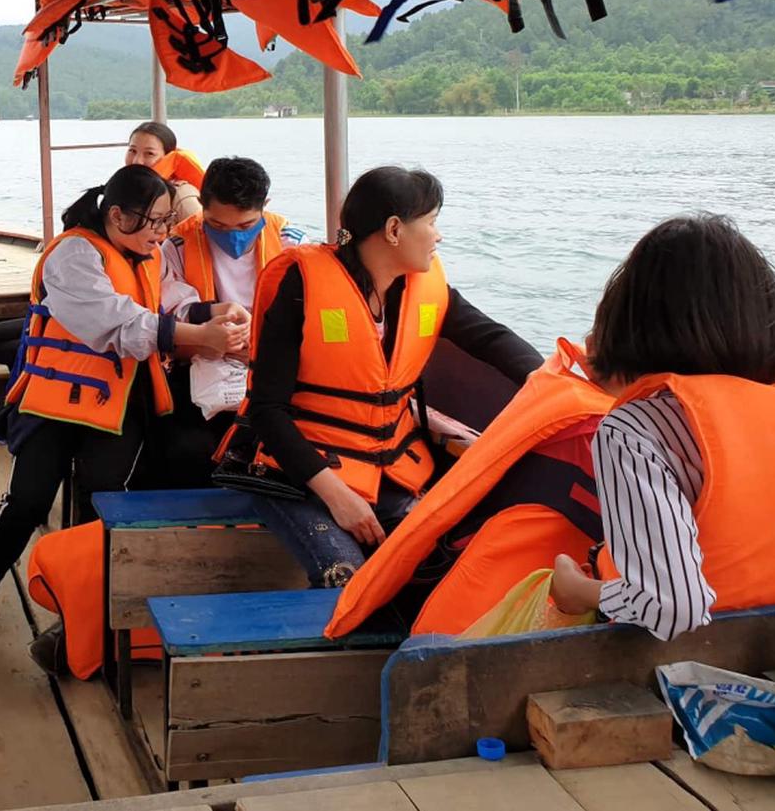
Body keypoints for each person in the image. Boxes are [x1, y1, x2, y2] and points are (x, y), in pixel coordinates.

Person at [0, 165, 249, 650]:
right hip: (55, 402)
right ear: (118, 215)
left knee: (100, 507)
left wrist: (212, 312)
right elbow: (115, 322)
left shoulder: (149, 255)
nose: (162, 232)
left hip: (118, 405)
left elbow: (166, 303)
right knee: (27, 501)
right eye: (154, 221)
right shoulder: (73, 254)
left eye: (166, 221)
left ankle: (78, 612)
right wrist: (197, 336)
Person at [228, 166, 543, 588]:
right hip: (298, 475)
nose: (438, 236)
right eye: (431, 222)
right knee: (345, 578)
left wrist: (546, 378)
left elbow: (490, 337)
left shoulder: (421, 285)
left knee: (451, 567)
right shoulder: (300, 286)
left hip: (389, 469)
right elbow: (267, 411)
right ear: (394, 230)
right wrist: (339, 497)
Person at [549, 214, 775, 640]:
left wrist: (577, 591)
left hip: (700, 652)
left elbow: (672, 608)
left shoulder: (634, 430)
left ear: (633, 321)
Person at [160, 157, 307, 480]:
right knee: (186, 450)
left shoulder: (293, 244)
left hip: (270, 369)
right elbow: (171, 310)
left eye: (244, 227)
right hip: (200, 366)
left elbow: (307, 316)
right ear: (202, 207)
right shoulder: (177, 246)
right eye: (218, 226)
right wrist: (212, 335)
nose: (232, 236)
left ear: (264, 206)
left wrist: (259, 347)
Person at [123, 121, 202, 221]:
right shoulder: (123, 188)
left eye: (149, 153)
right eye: (132, 150)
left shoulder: (181, 195)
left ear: (167, 157)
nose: (136, 161)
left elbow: (203, 228)